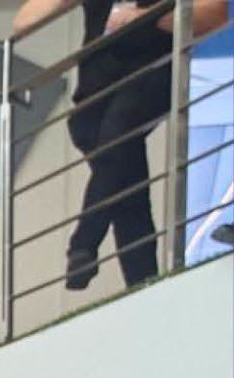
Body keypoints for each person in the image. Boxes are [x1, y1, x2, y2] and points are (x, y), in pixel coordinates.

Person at [18, 0, 234, 291]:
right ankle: (143, 284)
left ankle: (84, 242)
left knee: (118, 133)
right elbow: (23, 21)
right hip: (97, 82)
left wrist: (146, 18)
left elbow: (212, 15)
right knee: (121, 175)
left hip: (152, 70)